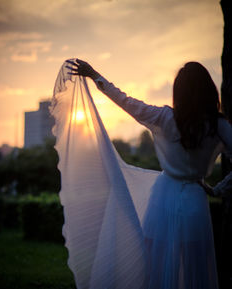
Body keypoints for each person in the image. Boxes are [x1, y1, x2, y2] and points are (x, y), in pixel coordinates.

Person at [63, 59, 232, 289]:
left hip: (162, 198)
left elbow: (126, 101)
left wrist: (95, 75)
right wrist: (219, 189)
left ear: (178, 92)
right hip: (195, 199)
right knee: (195, 264)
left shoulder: (165, 117)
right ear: (209, 91)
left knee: (154, 263)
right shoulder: (219, 126)